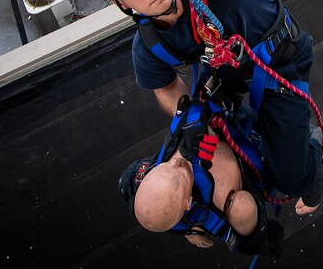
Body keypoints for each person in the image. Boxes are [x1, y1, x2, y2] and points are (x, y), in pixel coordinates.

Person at [93, 0, 323, 216]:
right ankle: (270, 132)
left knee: (291, 177)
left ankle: (317, 156)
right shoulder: (149, 44)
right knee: (209, 131)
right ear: (122, 3)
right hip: (227, 70)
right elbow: (164, 86)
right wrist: (190, 117)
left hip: (279, 60)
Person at [120, 94, 284, 256]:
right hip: (253, 159)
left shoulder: (137, 179)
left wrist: (198, 117)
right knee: (243, 210)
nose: (177, 162)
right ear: (188, 202)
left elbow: (127, 184)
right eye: (180, 176)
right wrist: (191, 231)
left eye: (165, 166)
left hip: (231, 124)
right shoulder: (208, 205)